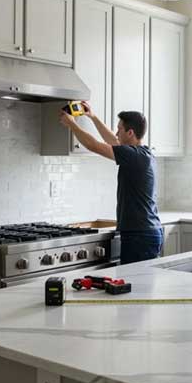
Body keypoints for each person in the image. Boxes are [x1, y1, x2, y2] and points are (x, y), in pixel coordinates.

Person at [59, 102, 163, 265]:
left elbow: (94, 146)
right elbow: (113, 141)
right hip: (145, 232)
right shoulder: (142, 153)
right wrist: (93, 117)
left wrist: (72, 124)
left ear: (130, 133)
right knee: (137, 279)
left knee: (134, 280)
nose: (116, 133)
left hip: (139, 235)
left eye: (119, 129)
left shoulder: (134, 156)